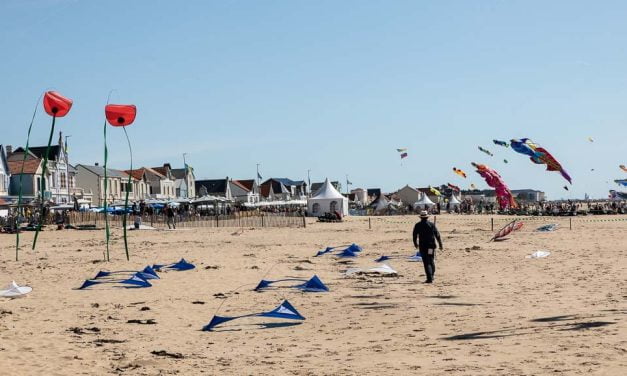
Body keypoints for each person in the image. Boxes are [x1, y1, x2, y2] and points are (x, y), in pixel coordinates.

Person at [412, 210, 443, 283]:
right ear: (427, 217)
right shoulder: (431, 224)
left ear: (421, 217)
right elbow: (437, 235)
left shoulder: (418, 225)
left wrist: (415, 244)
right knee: (431, 259)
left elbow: (414, 235)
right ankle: (432, 275)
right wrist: (440, 244)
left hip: (423, 246)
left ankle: (429, 278)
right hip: (431, 246)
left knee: (426, 262)